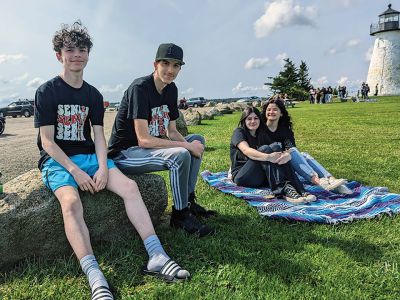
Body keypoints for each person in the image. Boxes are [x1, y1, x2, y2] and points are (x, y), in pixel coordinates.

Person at [34, 22, 190, 300]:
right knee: (70, 202)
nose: (77, 55)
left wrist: (103, 167)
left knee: (130, 188)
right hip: (58, 161)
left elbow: (98, 136)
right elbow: (47, 141)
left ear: (89, 54)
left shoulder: (93, 95)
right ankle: (94, 274)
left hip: (91, 157)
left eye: (82, 49)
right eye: (70, 50)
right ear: (59, 55)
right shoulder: (47, 92)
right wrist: (75, 171)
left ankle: (156, 254)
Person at [108, 43, 216, 238]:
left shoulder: (171, 89)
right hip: (125, 154)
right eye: (165, 63)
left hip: (147, 149)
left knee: (197, 139)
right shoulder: (140, 88)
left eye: (176, 65)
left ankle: (189, 202)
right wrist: (186, 147)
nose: (170, 70)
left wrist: (190, 145)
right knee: (181, 153)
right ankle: (180, 216)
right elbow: (143, 140)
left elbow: (172, 131)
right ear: (155, 64)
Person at [261, 99, 351, 194]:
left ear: (281, 113)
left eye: (275, 109)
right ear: (265, 112)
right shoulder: (261, 130)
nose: (271, 112)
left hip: (283, 162)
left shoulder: (285, 131)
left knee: (302, 154)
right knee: (294, 152)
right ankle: (318, 181)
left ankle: (331, 179)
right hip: (270, 167)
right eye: (268, 109)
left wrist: (286, 154)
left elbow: (291, 147)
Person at [230, 106, 316, 204]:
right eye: (249, 119)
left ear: (260, 119)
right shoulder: (239, 132)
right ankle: (282, 191)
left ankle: (299, 189)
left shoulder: (261, 133)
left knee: (276, 147)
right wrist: (268, 157)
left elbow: (277, 150)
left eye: (256, 118)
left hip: (260, 177)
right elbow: (246, 150)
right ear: (244, 120)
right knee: (265, 149)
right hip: (243, 176)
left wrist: (287, 155)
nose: (253, 121)